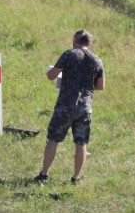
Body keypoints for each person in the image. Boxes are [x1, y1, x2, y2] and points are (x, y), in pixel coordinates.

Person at [33, 29, 105, 184]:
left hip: (66, 104)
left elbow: (52, 75)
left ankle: (44, 175)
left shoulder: (69, 54)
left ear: (76, 41)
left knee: (53, 139)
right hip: (85, 107)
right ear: (89, 43)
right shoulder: (97, 60)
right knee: (81, 142)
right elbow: (100, 86)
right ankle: (76, 178)